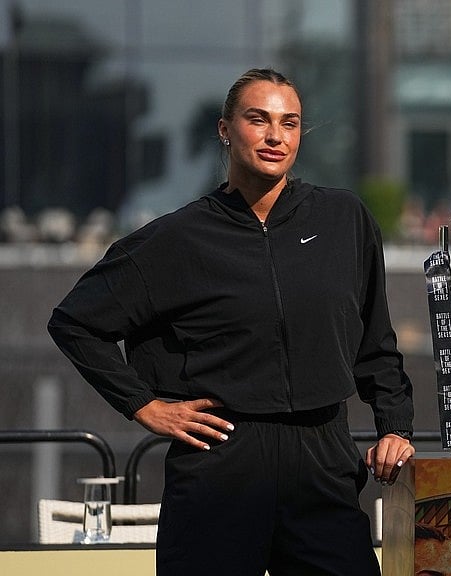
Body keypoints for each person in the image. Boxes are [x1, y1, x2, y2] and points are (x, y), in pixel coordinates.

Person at [48, 68, 415, 575]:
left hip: (321, 456)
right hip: (219, 460)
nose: (274, 136)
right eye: (258, 119)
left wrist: (393, 424)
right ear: (225, 130)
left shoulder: (343, 219)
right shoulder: (176, 239)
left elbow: (375, 336)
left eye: (289, 123)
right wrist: (145, 406)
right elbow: (75, 322)